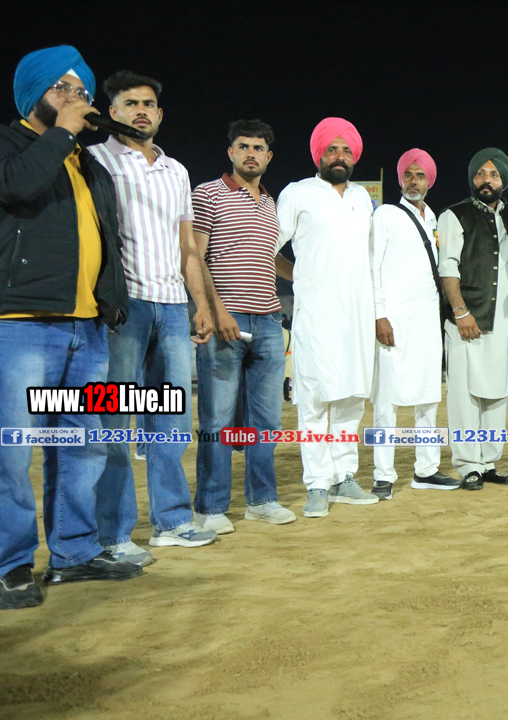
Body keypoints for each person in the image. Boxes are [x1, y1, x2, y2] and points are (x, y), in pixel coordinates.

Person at [0, 46, 143, 609]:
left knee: (81, 445)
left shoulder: (86, 164)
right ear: (32, 92)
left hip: (87, 328)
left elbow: (106, 237)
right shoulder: (12, 145)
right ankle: (10, 564)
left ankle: (73, 553)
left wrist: (112, 303)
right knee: (13, 452)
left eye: (81, 90)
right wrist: (61, 131)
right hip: (22, 324)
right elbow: (17, 188)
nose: (74, 97)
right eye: (60, 86)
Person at [89, 71, 217, 562]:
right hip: (124, 309)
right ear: (112, 111)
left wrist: (199, 304)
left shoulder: (176, 171)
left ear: (160, 114)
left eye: (148, 104)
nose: (140, 110)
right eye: (130, 103)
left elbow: (188, 248)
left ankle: (172, 521)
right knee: (114, 423)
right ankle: (114, 534)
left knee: (172, 422)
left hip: (172, 307)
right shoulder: (96, 160)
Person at [190, 119, 295, 533]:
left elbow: (270, 257)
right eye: (244, 146)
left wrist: (305, 276)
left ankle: (262, 501)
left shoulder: (269, 202)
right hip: (226, 322)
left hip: (268, 321)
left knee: (266, 421)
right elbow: (196, 257)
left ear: (269, 156)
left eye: (259, 148)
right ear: (231, 152)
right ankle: (210, 507)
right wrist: (216, 312)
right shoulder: (208, 193)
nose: (251, 153)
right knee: (217, 420)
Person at [277, 118, 379, 516]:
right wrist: (299, 276)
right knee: (315, 399)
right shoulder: (297, 193)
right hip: (317, 314)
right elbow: (270, 246)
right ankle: (317, 484)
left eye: (346, 150)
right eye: (332, 149)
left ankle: (344, 477)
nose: (339, 156)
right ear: (318, 154)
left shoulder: (362, 198)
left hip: (358, 314)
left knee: (352, 397)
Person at [438, 148, 508, 490]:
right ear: (472, 178)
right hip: (466, 320)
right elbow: (447, 266)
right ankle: (468, 465)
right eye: (480, 174)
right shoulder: (454, 215)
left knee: (496, 392)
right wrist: (460, 311)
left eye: (493, 175)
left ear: (503, 181)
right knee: (464, 395)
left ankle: (489, 462)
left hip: (501, 320)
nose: (486, 180)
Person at [370, 149, 456, 498]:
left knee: (428, 396)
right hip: (393, 319)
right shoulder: (385, 215)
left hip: (427, 320)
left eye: (420, 175)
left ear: (429, 181)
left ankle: (427, 469)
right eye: (408, 174)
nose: (413, 181)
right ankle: (383, 475)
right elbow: (373, 267)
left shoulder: (435, 219)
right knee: (385, 400)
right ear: (400, 179)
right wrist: (379, 314)